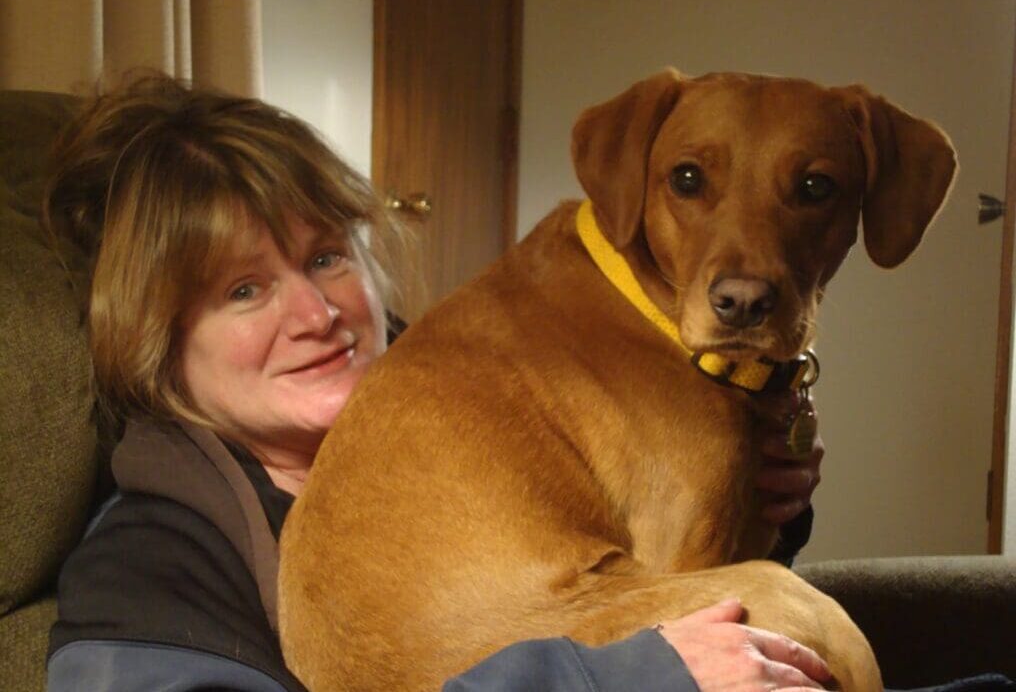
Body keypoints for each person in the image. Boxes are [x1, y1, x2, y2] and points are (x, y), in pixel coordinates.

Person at [44, 75, 830, 692]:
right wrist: (629, 677)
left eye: (326, 257)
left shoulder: (501, 393)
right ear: (158, 343)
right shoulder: (144, 571)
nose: (315, 312)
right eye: (242, 290)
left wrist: (757, 505)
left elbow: (664, 591)